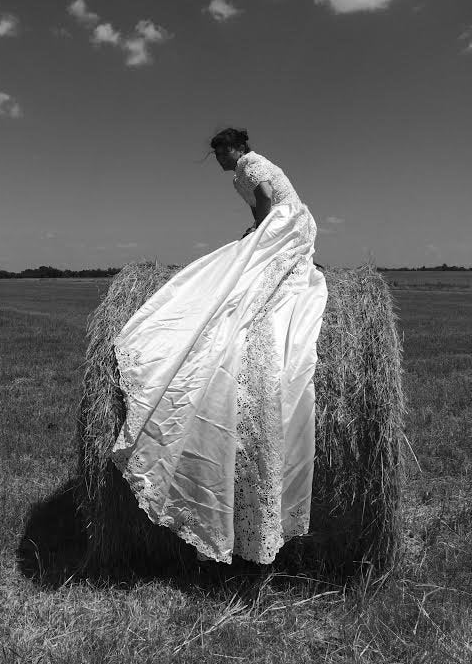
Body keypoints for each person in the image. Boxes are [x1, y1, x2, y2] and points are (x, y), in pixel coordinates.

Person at [110, 128, 328, 565]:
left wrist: (259, 228)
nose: (221, 161)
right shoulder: (240, 172)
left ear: (235, 148)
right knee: (235, 269)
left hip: (286, 223)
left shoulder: (251, 165)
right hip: (289, 222)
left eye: (221, 153)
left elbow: (267, 196)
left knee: (236, 282)